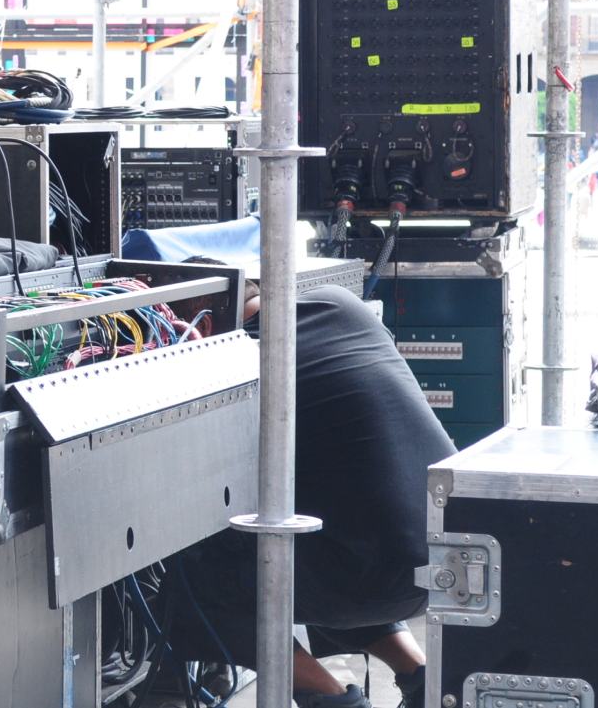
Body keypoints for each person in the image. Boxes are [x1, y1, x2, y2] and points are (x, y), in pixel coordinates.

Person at [167, 283, 456, 708]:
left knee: (190, 576)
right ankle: (421, 679)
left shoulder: (236, 357)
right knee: (335, 539)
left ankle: (334, 700)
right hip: (444, 564)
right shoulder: (341, 303)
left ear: (202, 327)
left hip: (366, 578)